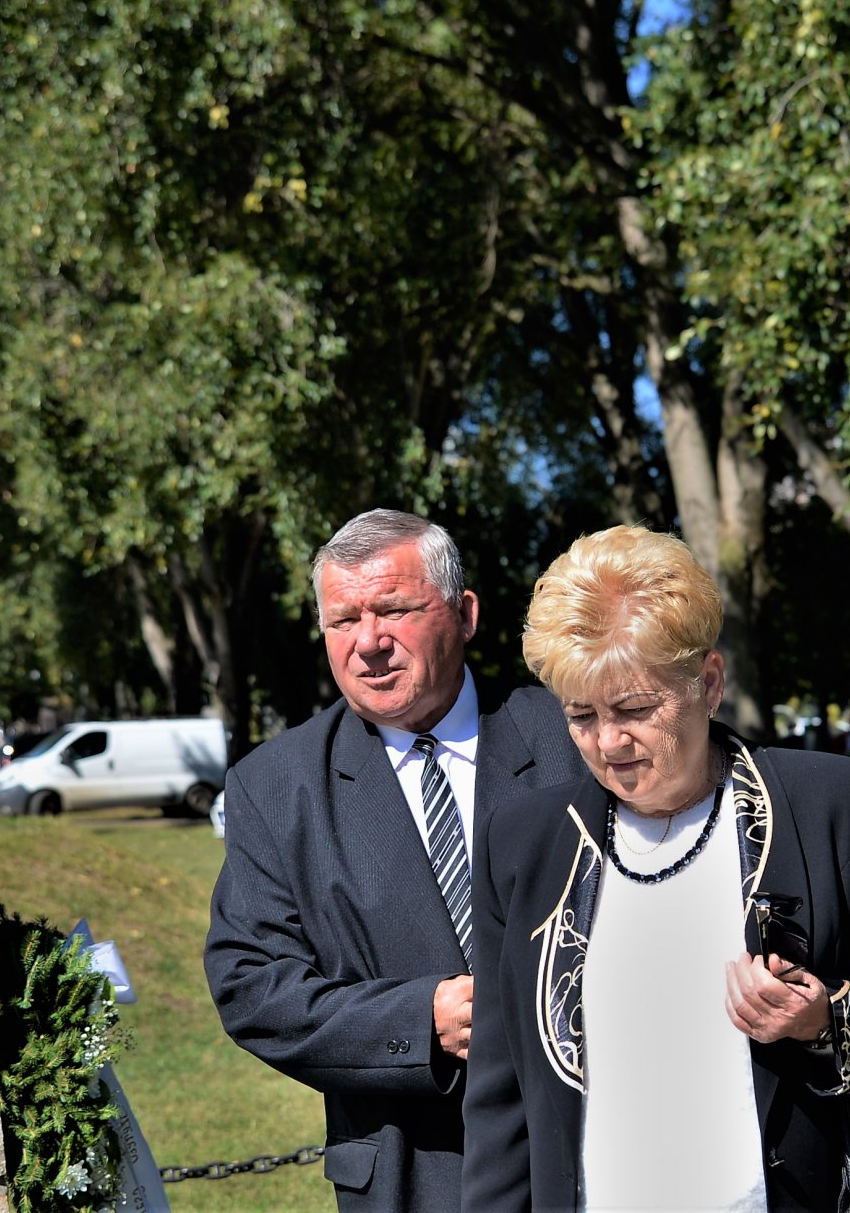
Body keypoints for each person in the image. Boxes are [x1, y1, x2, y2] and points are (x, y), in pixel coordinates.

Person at [462, 525, 850, 1212]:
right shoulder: (522, 842)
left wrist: (825, 1019)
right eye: (580, 716)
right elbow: (501, 1095)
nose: (608, 741)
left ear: (708, 683)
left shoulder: (832, 804)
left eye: (634, 708)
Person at [205, 509, 586, 1213]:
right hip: (415, 1177)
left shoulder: (572, 736)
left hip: (595, 1154)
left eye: (394, 610)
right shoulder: (275, 787)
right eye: (343, 620)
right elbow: (252, 988)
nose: (368, 643)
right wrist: (422, 1019)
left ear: (465, 614)